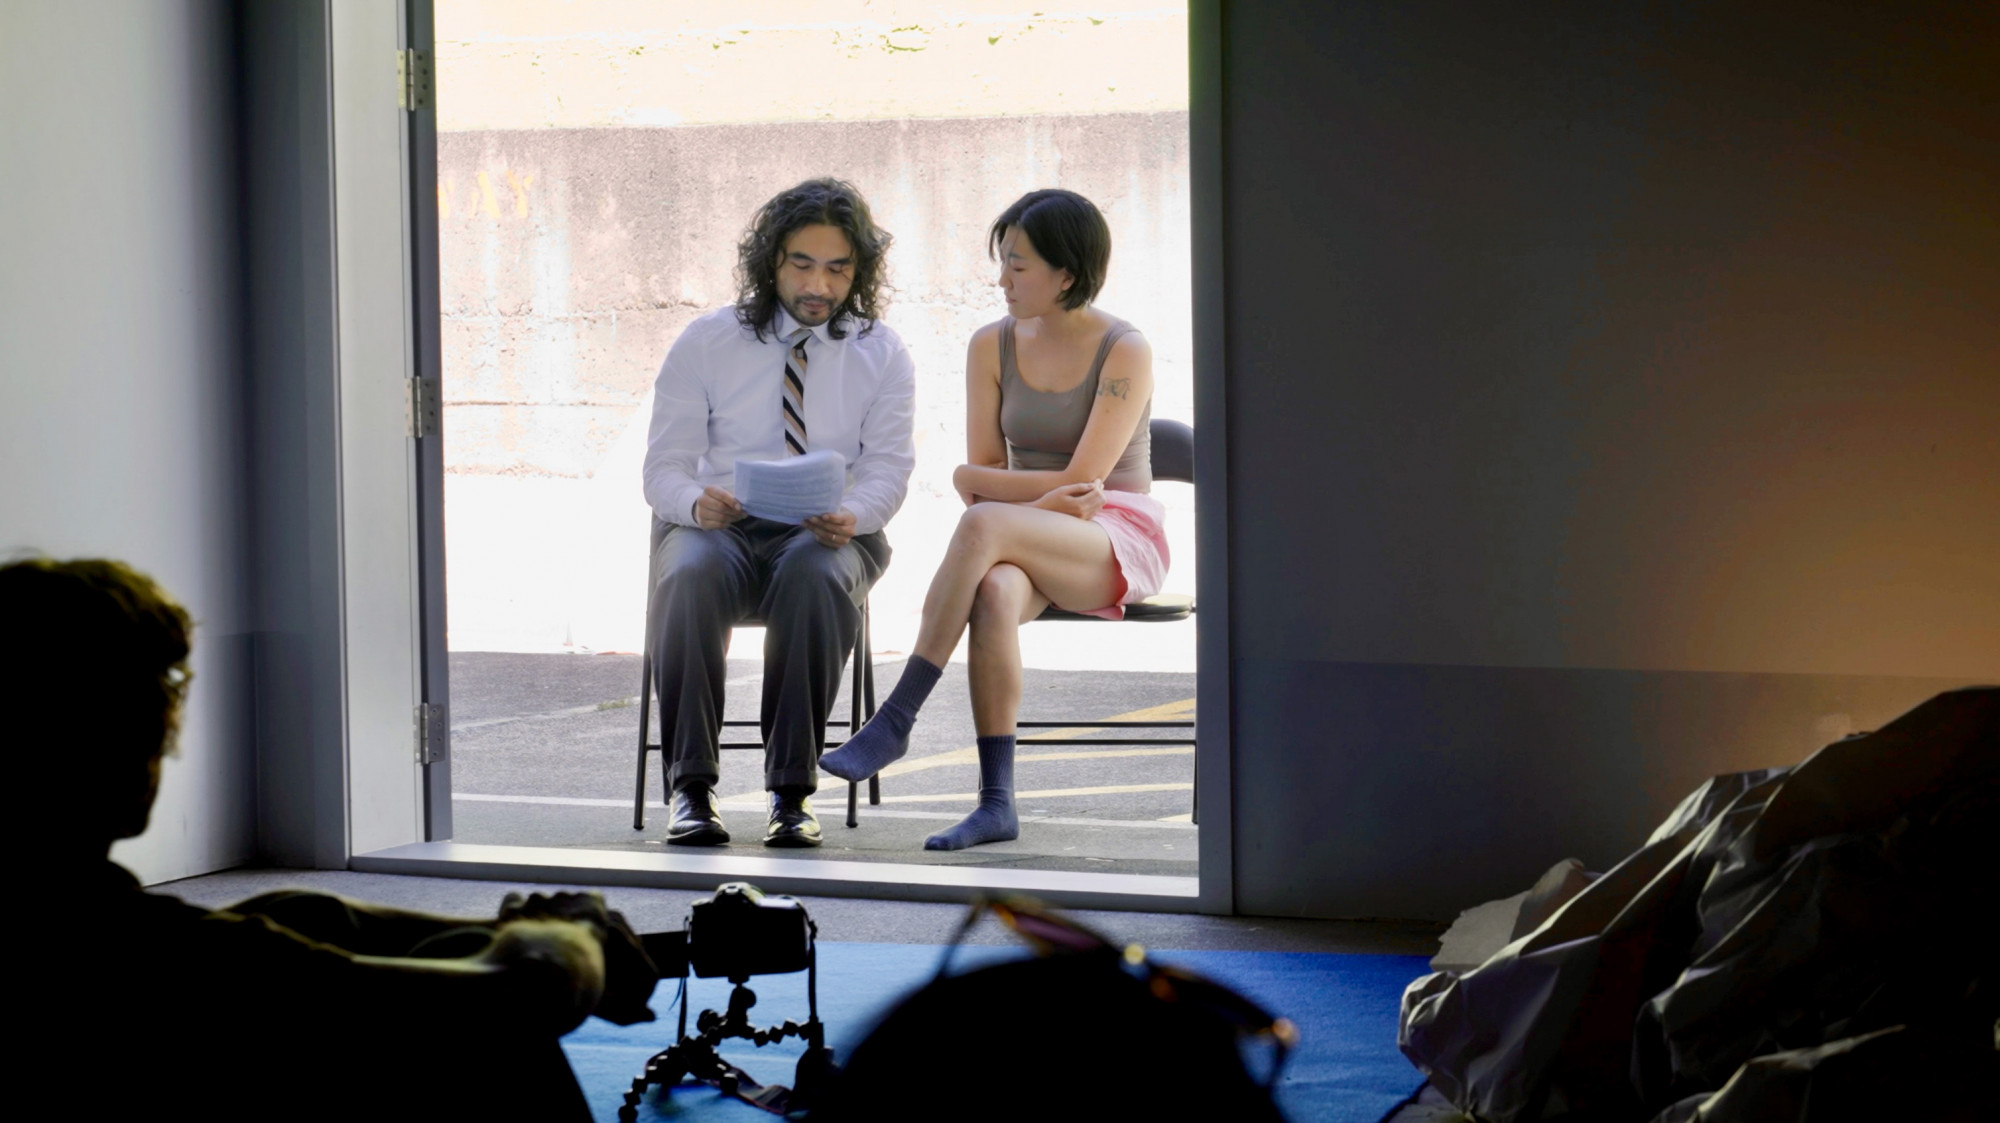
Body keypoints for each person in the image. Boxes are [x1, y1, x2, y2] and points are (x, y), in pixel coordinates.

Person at [6, 556, 660, 1121]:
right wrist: (574, 930)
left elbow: (298, 928)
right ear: (132, 741)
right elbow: (521, 988)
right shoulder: (146, 951)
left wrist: (509, 926)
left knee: (302, 911)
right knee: (490, 1035)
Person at [820, 188, 1165, 851]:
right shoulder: (990, 346)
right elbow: (981, 472)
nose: (1002, 280)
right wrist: (985, 485)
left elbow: (1082, 482)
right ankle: (997, 802)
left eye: (1018, 265)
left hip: (1113, 536)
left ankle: (897, 716)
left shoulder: (1126, 349)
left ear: (1067, 271)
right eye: (1001, 261)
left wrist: (977, 484)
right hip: (1025, 528)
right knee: (994, 587)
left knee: (981, 530)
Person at [643, 177, 916, 848]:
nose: (819, 284)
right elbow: (663, 469)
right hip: (719, 526)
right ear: (772, 261)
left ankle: (790, 794)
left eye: (838, 267)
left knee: (816, 576)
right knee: (689, 573)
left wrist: (854, 513)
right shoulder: (707, 341)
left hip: (829, 532)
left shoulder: (882, 353)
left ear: (860, 271)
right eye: (803, 263)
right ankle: (691, 790)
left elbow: (888, 466)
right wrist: (694, 502)